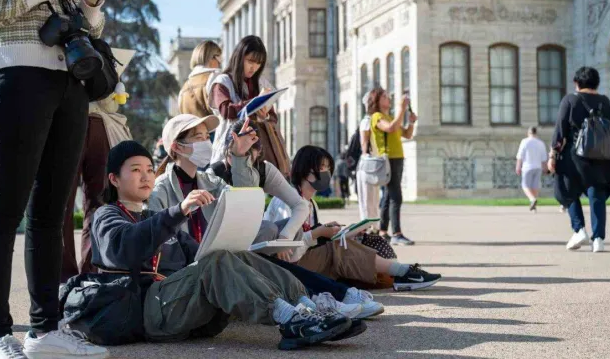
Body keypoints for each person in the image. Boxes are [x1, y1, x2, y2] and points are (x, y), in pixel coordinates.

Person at [0, 0, 124, 357]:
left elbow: (85, 26)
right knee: (2, 211)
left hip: (68, 81)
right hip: (11, 73)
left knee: (51, 214)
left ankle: (45, 329)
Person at [92, 140, 358, 350]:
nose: (146, 177)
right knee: (216, 260)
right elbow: (125, 247)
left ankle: (306, 307)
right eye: (136, 170)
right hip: (149, 310)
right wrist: (178, 212)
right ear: (114, 179)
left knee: (231, 254)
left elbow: (201, 255)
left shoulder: (152, 217)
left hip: (183, 308)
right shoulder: (107, 216)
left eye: (150, 169)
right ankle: (290, 320)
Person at [152, 116, 383, 319]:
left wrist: (240, 155)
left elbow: (243, 198)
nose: (206, 142)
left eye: (206, 136)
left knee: (263, 261)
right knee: (252, 262)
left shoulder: (209, 182)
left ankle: (317, 303)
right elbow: (160, 245)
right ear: (178, 147)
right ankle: (309, 306)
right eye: (198, 137)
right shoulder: (161, 190)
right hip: (198, 274)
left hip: (224, 260)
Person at [264, 145, 440, 291]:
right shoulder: (285, 202)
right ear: (304, 170)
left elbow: (307, 239)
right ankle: (403, 272)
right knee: (338, 248)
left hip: (303, 262)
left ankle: (398, 274)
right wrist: (318, 233)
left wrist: (332, 232)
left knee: (344, 245)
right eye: (321, 168)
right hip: (285, 270)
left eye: (327, 168)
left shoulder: (310, 204)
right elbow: (287, 253)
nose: (325, 172)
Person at [548, 67, 610, 253]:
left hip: (574, 158)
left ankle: (579, 230)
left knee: (566, 191)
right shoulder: (605, 102)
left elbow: (560, 132)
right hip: (601, 158)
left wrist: (553, 154)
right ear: (596, 83)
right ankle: (598, 238)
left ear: (577, 83)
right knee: (597, 196)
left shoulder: (570, 100)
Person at [61, 93, 133, 281]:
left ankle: (64, 277)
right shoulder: (110, 63)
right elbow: (110, 102)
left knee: (61, 205)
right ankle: (90, 275)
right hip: (100, 122)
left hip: (66, 119)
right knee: (98, 207)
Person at [210, 35, 290, 176]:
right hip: (231, 150)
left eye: (259, 63)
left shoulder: (261, 83)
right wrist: (254, 103)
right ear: (240, 57)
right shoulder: (222, 81)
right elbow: (225, 110)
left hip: (259, 153)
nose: (254, 67)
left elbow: (272, 118)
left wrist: (264, 115)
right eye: (250, 61)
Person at [367, 88, 416, 246]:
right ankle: (396, 233)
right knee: (396, 196)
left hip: (397, 158)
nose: (388, 98)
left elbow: (407, 134)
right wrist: (401, 110)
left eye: (388, 96)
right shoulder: (377, 117)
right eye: (385, 97)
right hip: (388, 159)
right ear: (377, 101)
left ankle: (382, 231)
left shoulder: (389, 117)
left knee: (388, 196)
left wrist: (411, 122)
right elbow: (390, 128)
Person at [177, 41, 222, 141]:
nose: (220, 62)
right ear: (211, 58)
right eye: (219, 57)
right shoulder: (215, 77)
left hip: (193, 144)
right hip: (214, 140)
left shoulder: (183, 89)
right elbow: (222, 113)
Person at [356, 93, 380, 233]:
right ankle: (367, 227)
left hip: (373, 164)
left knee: (373, 199)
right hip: (367, 164)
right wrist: (367, 158)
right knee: (367, 199)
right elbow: (365, 143)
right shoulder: (367, 121)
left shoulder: (374, 120)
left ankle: (374, 227)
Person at [515, 126, 548, 212]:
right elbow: (544, 158)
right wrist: (545, 168)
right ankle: (534, 206)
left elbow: (520, 156)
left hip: (527, 166)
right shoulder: (541, 143)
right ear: (536, 133)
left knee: (525, 185)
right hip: (538, 167)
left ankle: (532, 199)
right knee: (535, 186)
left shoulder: (525, 142)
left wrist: (518, 166)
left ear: (528, 133)